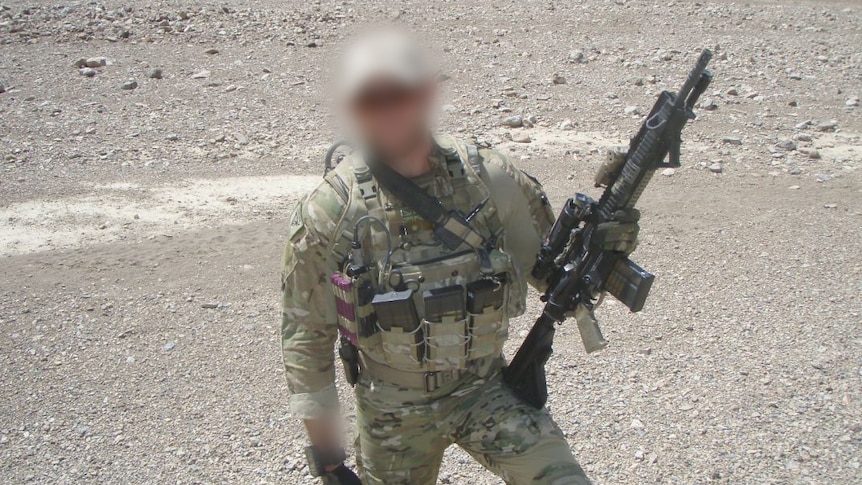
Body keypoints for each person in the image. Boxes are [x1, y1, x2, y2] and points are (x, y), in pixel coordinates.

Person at [280, 29, 639, 485]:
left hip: (484, 390)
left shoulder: (491, 180)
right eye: (373, 99)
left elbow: (554, 275)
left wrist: (611, 238)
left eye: (401, 92)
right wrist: (328, 459)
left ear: (427, 92)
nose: (389, 109)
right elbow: (305, 335)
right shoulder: (330, 211)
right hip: (392, 406)